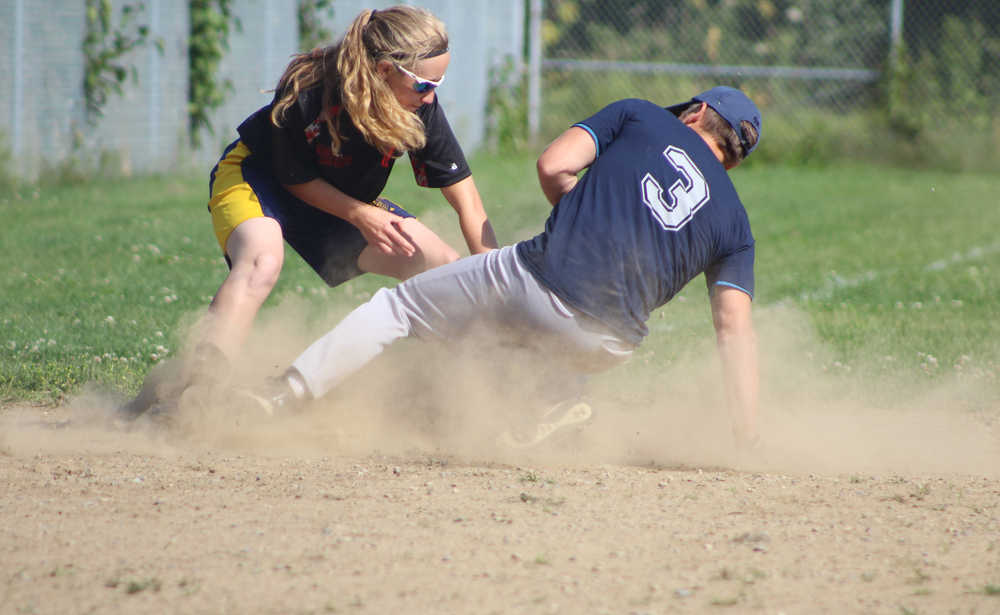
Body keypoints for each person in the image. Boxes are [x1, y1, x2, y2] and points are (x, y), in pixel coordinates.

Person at [249, 86, 762, 448]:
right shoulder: (736, 225)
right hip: (611, 343)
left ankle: (283, 396)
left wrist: (582, 212)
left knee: (399, 307)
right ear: (733, 162)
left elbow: (553, 164)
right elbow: (733, 330)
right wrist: (745, 435)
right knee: (509, 337)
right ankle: (549, 402)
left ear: (694, 114)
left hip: (542, 284)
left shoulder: (642, 115)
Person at [122, 6, 497, 418]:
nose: (432, 95)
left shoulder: (419, 106)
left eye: (439, 83)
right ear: (385, 70)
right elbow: (293, 179)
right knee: (262, 261)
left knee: (441, 267)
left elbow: (469, 203)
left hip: (340, 202)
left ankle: (447, 393)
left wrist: (496, 282)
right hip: (261, 179)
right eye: (425, 83)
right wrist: (361, 215)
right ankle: (191, 394)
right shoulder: (310, 86)